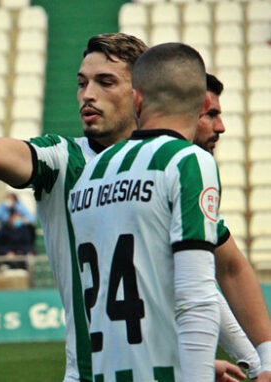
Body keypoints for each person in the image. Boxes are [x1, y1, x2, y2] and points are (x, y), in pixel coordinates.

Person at [0, 23, 271, 381]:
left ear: (139, 93)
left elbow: (217, 273)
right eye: (81, 83)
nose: (87, 94)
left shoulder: (165, 165)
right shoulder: (63, 160)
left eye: (105, 82)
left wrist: (245, 360)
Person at [68, 42, 225, 380]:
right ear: (199, 106)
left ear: (137, 99)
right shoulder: (186, 161)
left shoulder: (89, 174)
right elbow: (196, 297)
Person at [195, 73, 271, 380]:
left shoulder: (196, 171)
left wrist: (262, 361)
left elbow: (228, 269)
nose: (222, 127)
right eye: (211, 114)